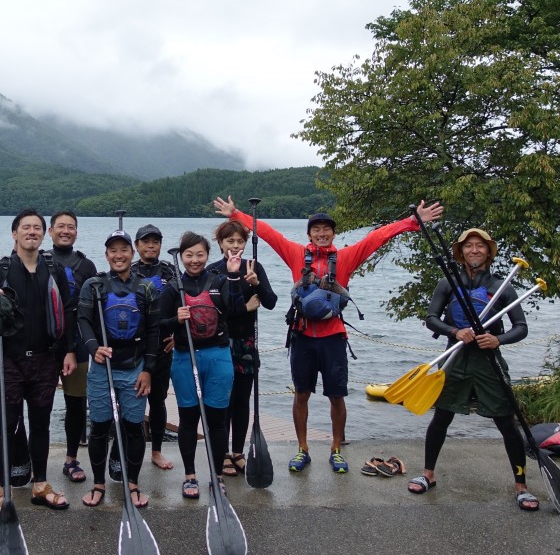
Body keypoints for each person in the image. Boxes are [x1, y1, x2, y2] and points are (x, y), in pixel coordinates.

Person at [214, 196, 443, 475]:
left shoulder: (345, 257)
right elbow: (269, 233)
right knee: (301, 393)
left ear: (333, 234)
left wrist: (412, 221)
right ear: (309, 234)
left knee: (336, 396)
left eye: (327, 229)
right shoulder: (296, 254)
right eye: (316, 230)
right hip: (302, 336)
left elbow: (377, 238)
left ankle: (336, 449)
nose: (322, 234)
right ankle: (303, 448)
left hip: (333, 337)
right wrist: (235, 214)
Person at [408, 228, 538, 511]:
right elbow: (431, 318)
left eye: (480, 246)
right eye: (469, 246)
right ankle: (428, 474)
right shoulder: (447, 283)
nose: (474, 250)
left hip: (488, 360)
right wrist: (455, 331)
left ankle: (521, 486)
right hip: (455, 358)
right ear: (461, 252)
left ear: (488, 252)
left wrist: (498, 339)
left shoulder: (502, 286)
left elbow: (521, 327)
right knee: (441, 418)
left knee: (506, 423)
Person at [0, 209, 77, 517]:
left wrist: (68, 351)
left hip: (45, 358)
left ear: (44, 234)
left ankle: (40, 485)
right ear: (15, 233)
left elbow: (67, 310)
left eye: (37, 227)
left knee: (40, 423)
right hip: (9, 359)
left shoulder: (54, 269)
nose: (32, 232)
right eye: (26, 227)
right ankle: (4, 490)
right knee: (7, 425)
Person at [76, 229, 161, 509]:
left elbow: (154, 331)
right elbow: (83, 320)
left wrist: (148, 370)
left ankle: (132, 483)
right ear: (106, 254)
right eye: (113, 250)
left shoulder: (146, 288)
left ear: (132, 253)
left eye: (124, 250)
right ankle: (98, 484)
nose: (119, 255)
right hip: (103, 368)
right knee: (100, 427)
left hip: (135, 368)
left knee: (134, 428)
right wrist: (93, 348)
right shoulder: (94, 285)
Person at [167, 231, 247, 500]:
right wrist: (175, 319)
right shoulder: (173, 287)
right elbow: (157, 324)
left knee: (216, 421)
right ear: (181, 256)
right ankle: (190, 475)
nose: (194, 260)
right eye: (189, 255)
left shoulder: (219, 280)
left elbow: (236, 309)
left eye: (200, 254)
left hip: (218, 356)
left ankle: (217, 475)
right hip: (184, 358)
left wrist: (234, 276)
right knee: (188, 419)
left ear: (207, 255)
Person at [207, 220, 278, 477]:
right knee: (223, 401)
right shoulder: (213, 271)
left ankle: (237, 451)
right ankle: (223, 452)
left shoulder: (253, 267)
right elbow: (211, 312)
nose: (235, 246)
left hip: (246, 342)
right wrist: (245, 307)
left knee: (241, 400)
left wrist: (256, 283)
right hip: (220, 342)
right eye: (230, 241)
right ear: (220, 243)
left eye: (240, 241)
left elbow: (270, 302)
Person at [48, 211, 98, 486]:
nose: (65, 231)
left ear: (76, 232)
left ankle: (71, 458)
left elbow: (95, 308)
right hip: (46, 342)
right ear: (50, 231)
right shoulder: (39, 260)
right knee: (39, 404)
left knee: (76, 403)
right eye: (60, 226)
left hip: (77, 342)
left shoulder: (86, 265)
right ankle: (33, 459)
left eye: (71, 227)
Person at [130, 224, 177, 472]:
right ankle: (130, 449)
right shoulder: (128, 271)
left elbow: (185, 305)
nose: (151, 246)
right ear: (136, 245)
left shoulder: (171, 271)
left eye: (155, 242)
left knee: (158, 401)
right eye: (145, 242)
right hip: (134, 347)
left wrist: (178, 336)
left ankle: (156, 451)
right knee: (131, 400)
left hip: (162, 346)